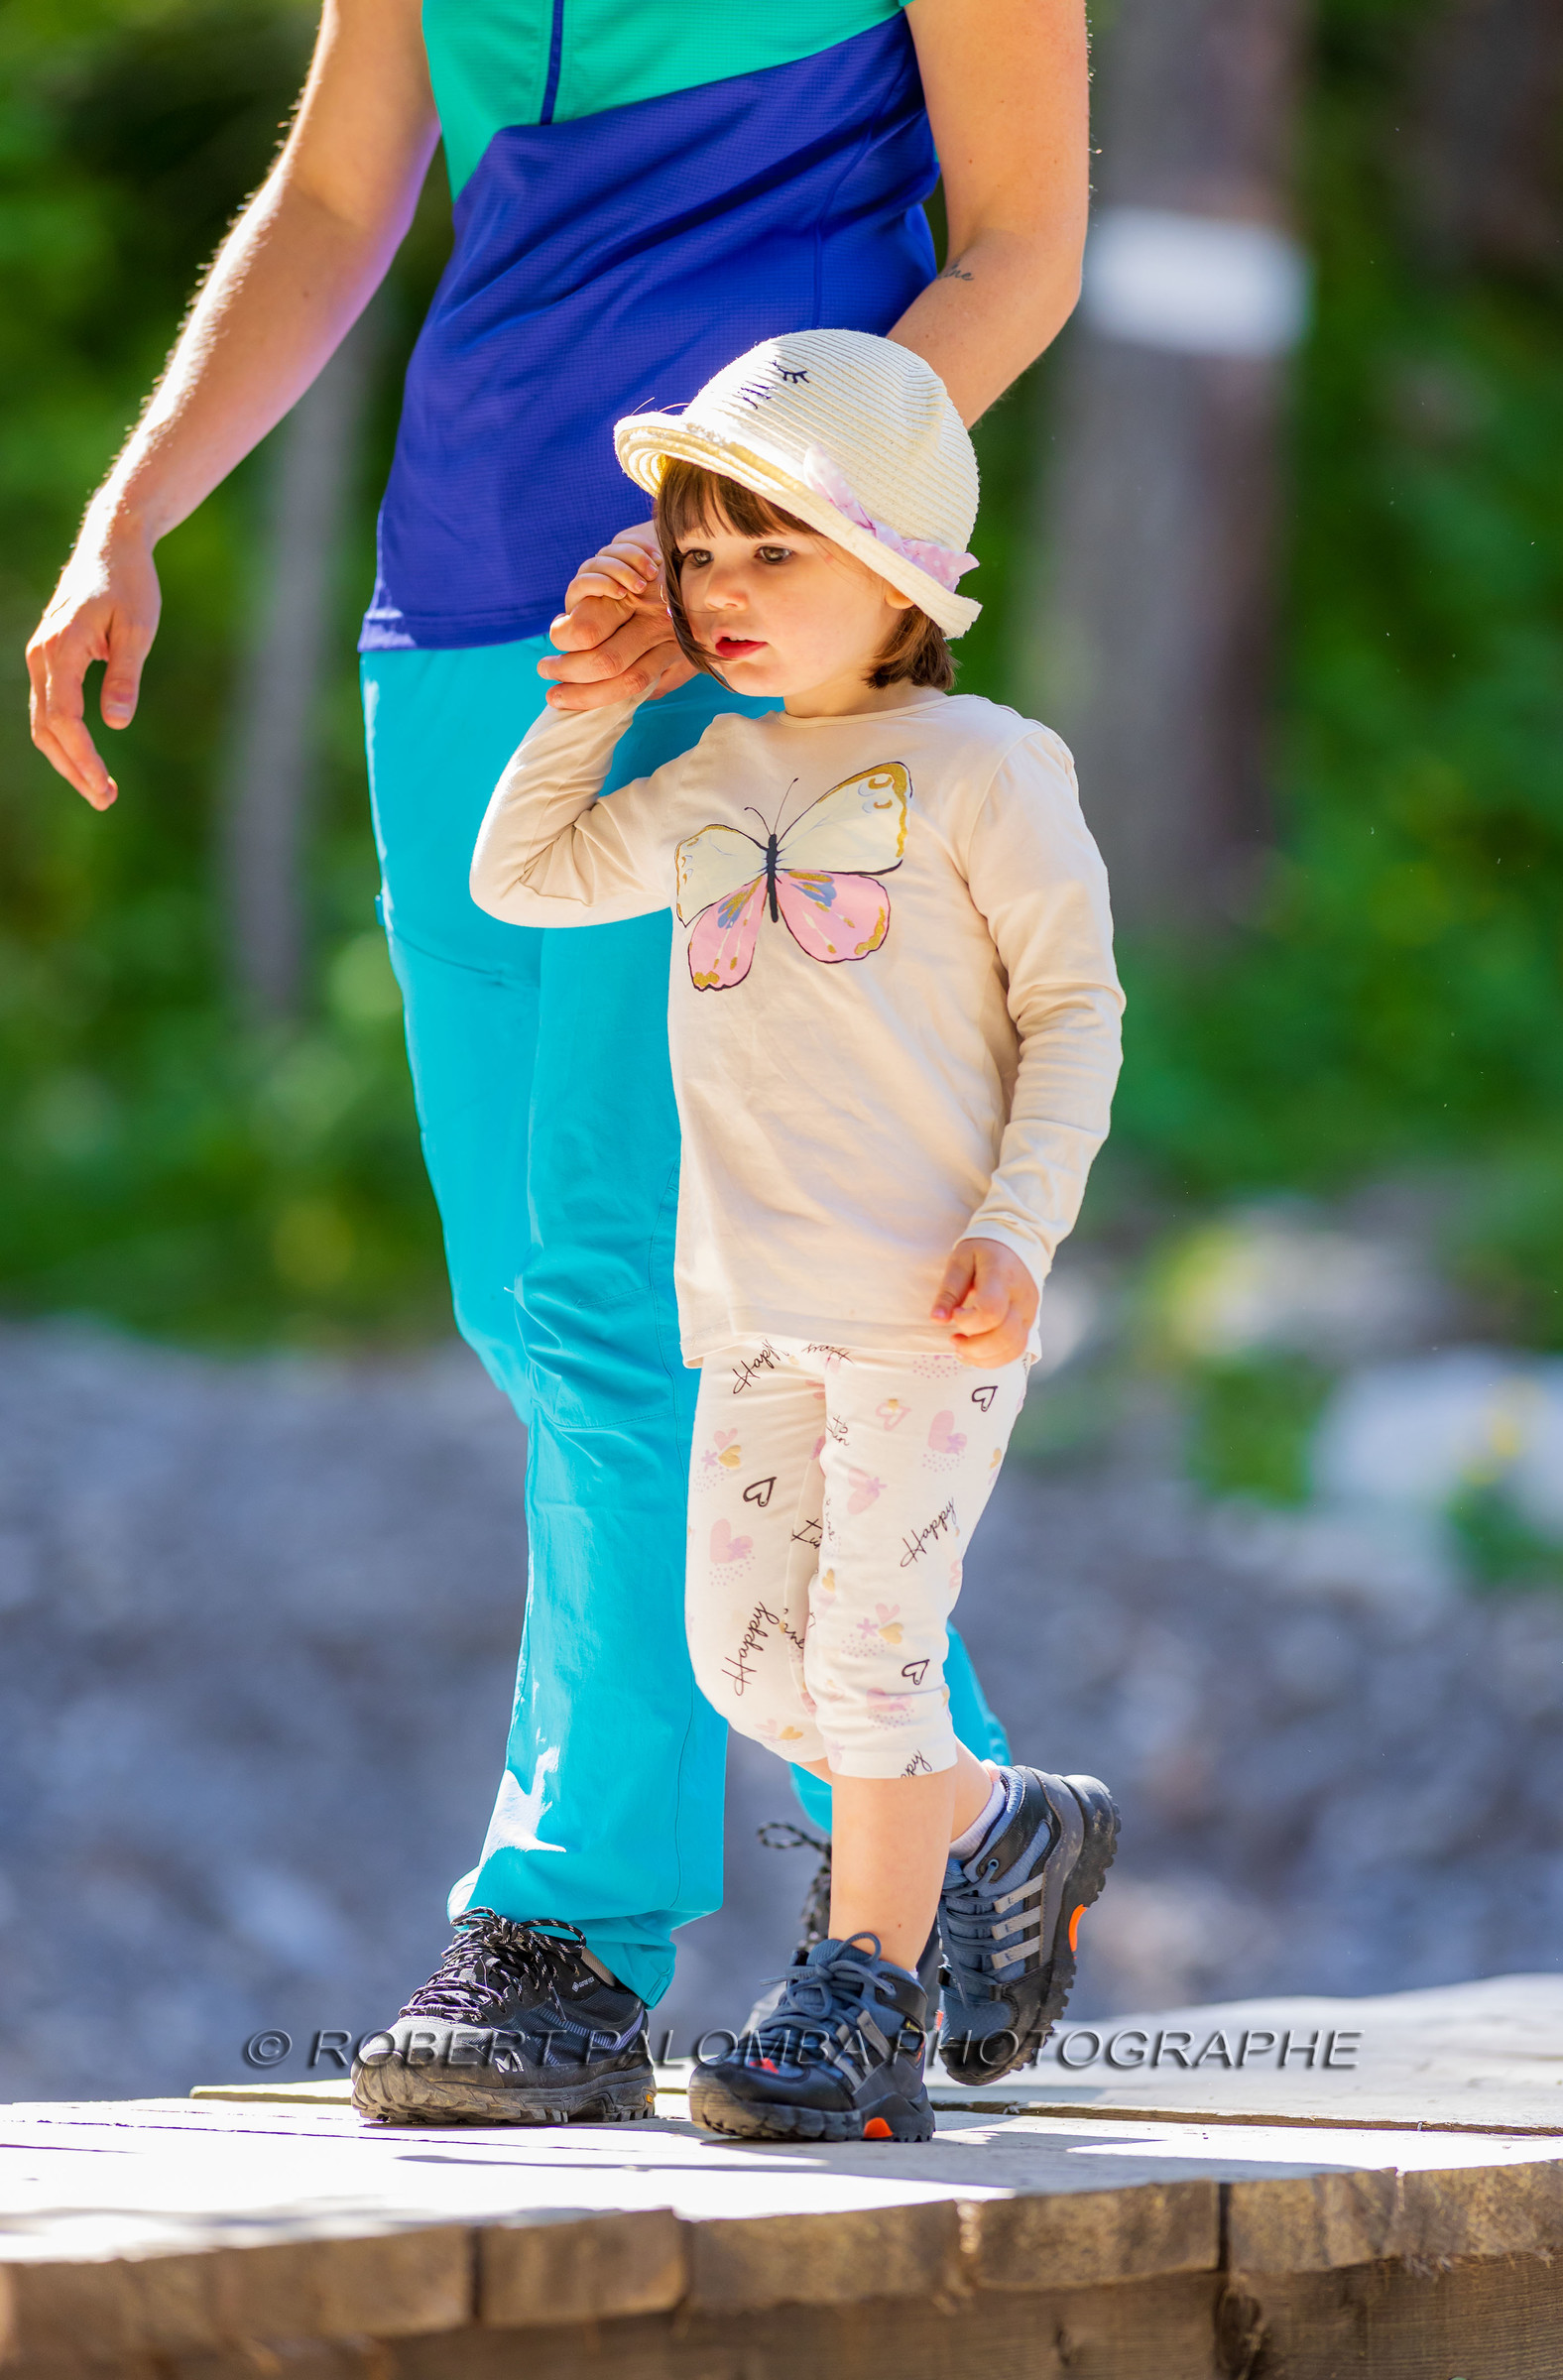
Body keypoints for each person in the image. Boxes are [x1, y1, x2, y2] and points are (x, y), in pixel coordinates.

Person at [26, 0, 1091, 2127]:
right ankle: (962, 1819)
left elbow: (1021, 246)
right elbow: (340, 193)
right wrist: (132, 509)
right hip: (457, 618)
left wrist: (757, 527)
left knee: (619, 1291)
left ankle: (565, 1934)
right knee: (524, 1301)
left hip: (743, 641)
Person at [464, 330, 1123, 2144]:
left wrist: (1020, 1225)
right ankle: (1003, 1823)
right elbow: (518, 877)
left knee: (868, 1663)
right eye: (700, 555)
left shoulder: (990, 766)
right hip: (748, 1310)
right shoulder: (713, 779)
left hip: (927, 1312)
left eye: (775, 553)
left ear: (900, 573)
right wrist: (590, 700)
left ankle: (863, 1994)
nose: (720, 592)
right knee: (744, 1661)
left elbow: (1078, 1015)